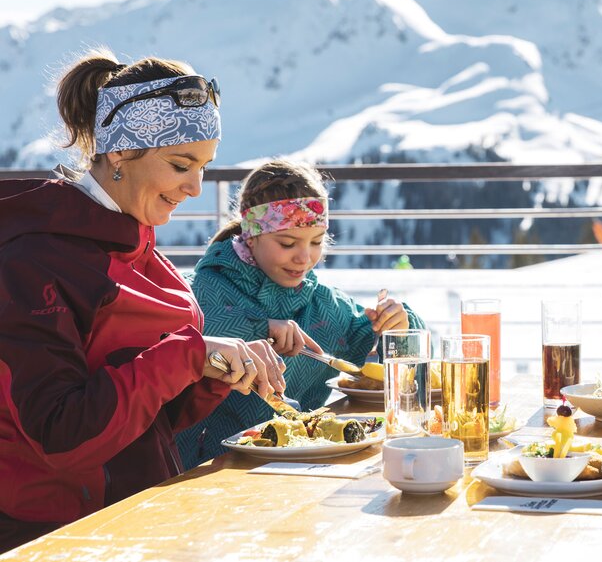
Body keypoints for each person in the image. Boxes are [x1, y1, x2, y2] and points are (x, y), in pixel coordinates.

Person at [0, 50, 284, 553]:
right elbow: (60, 436)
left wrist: (213, 369)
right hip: (54, 536)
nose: (197, 188)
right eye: (180, 165)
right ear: (119, 154)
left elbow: (148, 421)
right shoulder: (35, 260)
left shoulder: (137, 245)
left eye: (204, 166)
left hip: (140, 515)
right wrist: (188, 354)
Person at [176, 159, 427, 469]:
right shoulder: (199, 289)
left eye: (317, 242)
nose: (304, 257)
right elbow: (181, 339)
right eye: (287, 243)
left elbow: (390, 358)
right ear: (251, 235)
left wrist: (399, 327)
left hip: (300, 467)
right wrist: (259, 328)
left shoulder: (322, 305)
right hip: (202, 469)